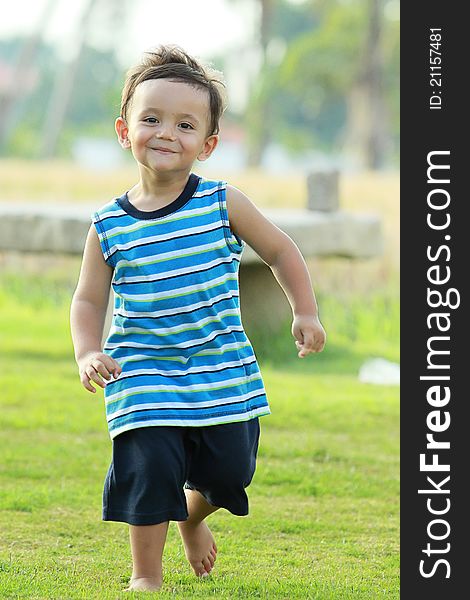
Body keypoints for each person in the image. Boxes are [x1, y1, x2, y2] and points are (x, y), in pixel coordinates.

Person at [70, 44, 326, 593]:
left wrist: (303, 310)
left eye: (185, 124)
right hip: (141, 374)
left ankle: (191, 516)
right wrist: (88, 350)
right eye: (151, 118)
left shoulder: (220, 203)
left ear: (207, 144)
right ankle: (146, 576)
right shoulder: (108, 225)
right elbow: (88, 300)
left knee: (232, 472)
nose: (166, 132)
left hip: (221, 367)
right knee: (149, 470)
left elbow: (281, 251)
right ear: (124, 130)